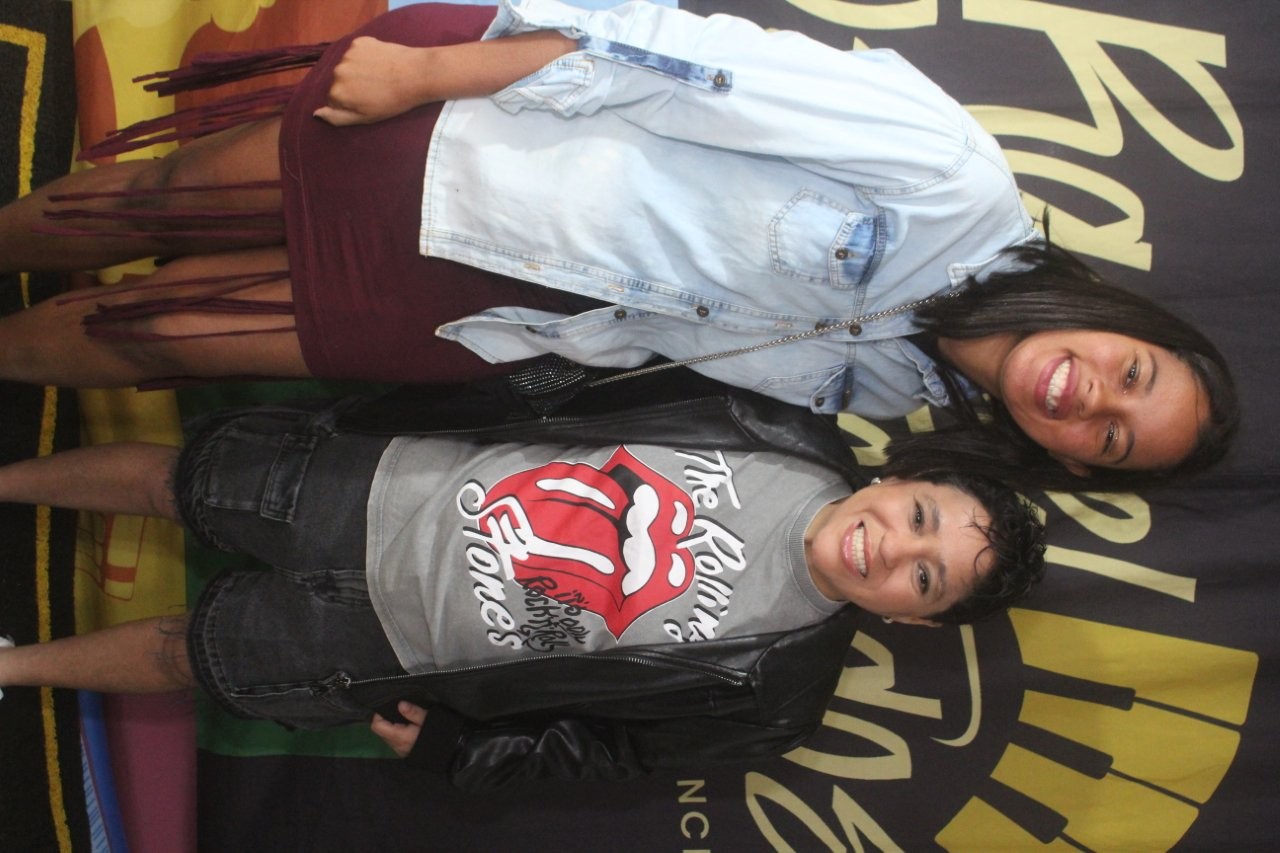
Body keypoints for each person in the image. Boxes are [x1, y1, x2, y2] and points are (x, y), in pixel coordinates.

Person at [0, 1, 1235, 491]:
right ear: (1120, 320)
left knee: (150, 337)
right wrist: (427, 74)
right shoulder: (949, 180)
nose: (1090, 399)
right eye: (1130, 373)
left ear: (1065, 457)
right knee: (145, 205)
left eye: (1109, 438)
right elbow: (679, 63)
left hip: (479, 314)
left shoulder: (890, 395)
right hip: (468, 140)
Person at [0, 382, 1046, 789]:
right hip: (379, 478)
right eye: (920, 518)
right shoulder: (774, 413)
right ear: (900, 478)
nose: (892, 550)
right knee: (173, 482)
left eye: (924, 577)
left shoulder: (781, 699)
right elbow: (592, 372)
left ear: (916, 618)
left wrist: (462, 750)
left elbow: (615, 753)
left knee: (186, 652)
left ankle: (18, 667)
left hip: (385, 646)